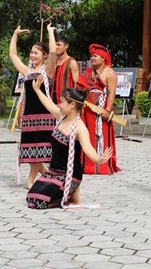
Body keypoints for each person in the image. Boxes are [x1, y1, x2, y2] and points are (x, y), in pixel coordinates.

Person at [27, 81, 113, 209]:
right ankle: (69, 194)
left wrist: (99, 159)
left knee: (40, 201)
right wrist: (37, 90)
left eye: (61, 102)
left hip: (69, 174)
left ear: (72, 104)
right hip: (53, 173)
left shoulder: (80, 128)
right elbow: (48, 103)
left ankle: (72, 189)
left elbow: (88, 148)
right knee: (31, 197)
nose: (58, 104)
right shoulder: (60, 117)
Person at [9, 25, 56, 188]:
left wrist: (50, 32)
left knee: (38, 151)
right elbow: (13, 55)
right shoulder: (27, 72)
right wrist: (15, 35)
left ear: (44, 55)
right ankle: (49, 175)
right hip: (29, 116)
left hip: (44, 116)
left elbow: (54, 53)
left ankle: (30, 182)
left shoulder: (48, 70)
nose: (32, 55)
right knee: (31, 152)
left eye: (36, 53)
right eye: (31, 52)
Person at [75, 43, 120, 174]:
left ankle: (103, 166)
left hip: (101, 110)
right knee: (86, 135)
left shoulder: (109, 73)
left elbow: (111, 93)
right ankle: (86, 165)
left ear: (103, 58)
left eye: (95, 56)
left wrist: (107, 110)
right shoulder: (87, 72)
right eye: (91, 56)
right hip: (87, 110)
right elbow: (79, 88)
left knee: (102, 136)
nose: (92, 58)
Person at [52, 34, 79, 104]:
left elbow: (77, 84)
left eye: (59, 45)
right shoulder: (54, 63)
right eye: (55, 45)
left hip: (67, 101)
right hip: (53, 101)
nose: (56, 47)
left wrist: (74, 101)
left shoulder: (71, 62)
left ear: (66, 46)